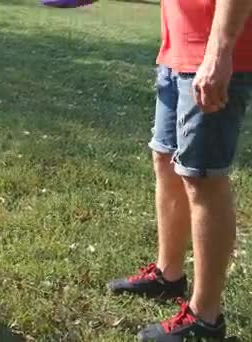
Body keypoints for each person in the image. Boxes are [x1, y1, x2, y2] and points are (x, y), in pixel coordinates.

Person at [107, 1, 252, 341]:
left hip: (212, 53)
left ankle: (206, 318)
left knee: (203, 178)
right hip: (178, 49)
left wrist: (219, 51)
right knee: (167, 161)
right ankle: (168, 275)